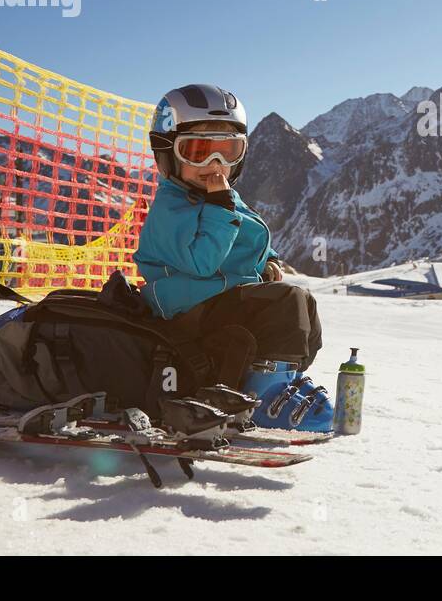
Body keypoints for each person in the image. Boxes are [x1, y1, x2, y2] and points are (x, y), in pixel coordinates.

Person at [133, 84, 330, 431]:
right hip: (183, 312)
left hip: (216, 301)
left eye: (228, 151)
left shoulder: (219, 197)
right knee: (287, 303)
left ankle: (273, 383)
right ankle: (266, 398)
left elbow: (248, 236)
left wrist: (268, 259)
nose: (215, 165)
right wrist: (220, 208)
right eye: (198, 151)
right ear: (166, 152)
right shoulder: (171, 209)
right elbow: (201, 262)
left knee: (305, 310)